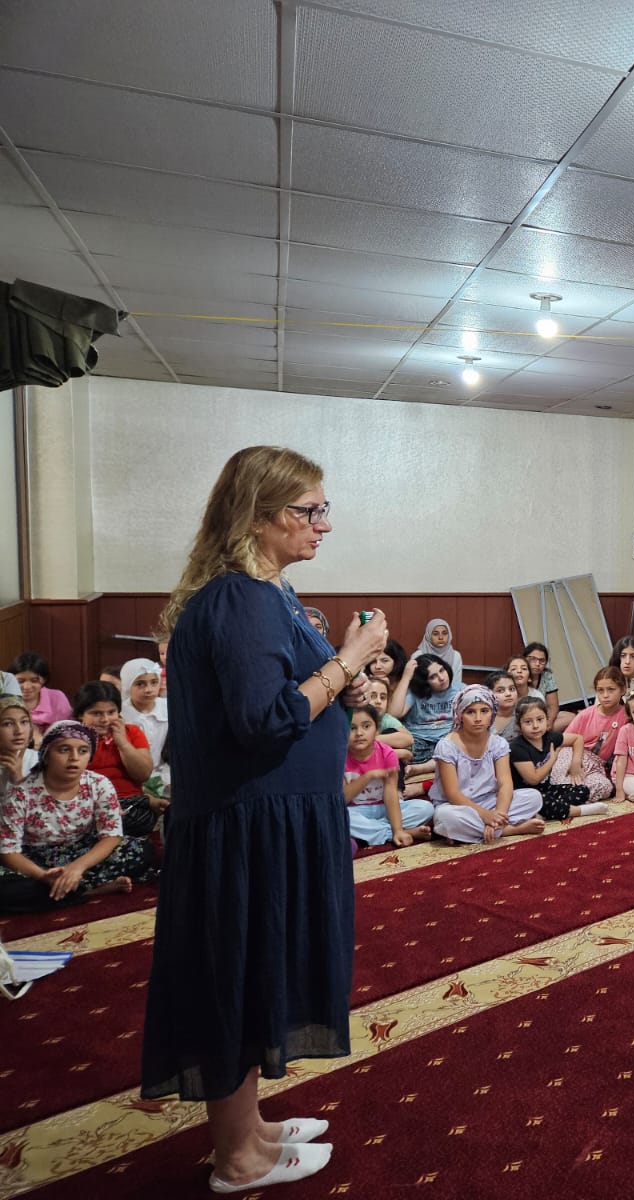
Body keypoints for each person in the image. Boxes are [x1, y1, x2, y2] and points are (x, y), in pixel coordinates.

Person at [140, 445, 391, 1193]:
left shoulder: (263, 592)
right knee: (240, 978)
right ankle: (238, 1158)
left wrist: (342, 674)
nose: (325, 524)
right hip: (252, 827)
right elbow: (266, 718)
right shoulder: (242, 599)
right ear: (259, 517)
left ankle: (249, 1128)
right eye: (310, 510)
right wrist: (350, 658)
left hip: (269, 818)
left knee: (255, 973)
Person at [0, 720, 156, 913]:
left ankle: (65, 890)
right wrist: (42, 876)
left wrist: (76, 868)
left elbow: (112, 835)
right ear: (46, 755)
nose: (74, 758)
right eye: (64, 750)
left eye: (83, 751)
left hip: (82, 852)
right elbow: (8, 851)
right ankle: (87, 891)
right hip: (35, 861)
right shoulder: (20, 792)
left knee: (142, 851)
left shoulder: (99, 784)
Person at [430, 685, 543, 844]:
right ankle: (510, 830)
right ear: (460, 715)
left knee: (534, 797)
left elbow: (505, 784)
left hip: (490, 801)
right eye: (470, 712)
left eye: (484, 711)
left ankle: (475, 832)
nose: (478, 718)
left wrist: (498, 814)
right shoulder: (447, 746)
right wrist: (485, 816)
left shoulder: (498, 743)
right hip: (457, 806)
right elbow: (453, 794)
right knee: (446, 819)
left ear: (492, 713)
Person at [73, 680, 160, 837]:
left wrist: (123, 743)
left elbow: (143, 774)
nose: (105, 719)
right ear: (81, 715)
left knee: (144, 818)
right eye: (96, 713)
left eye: (111, 712)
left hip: (130, 806)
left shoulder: (131, 732)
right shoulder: (71, 737)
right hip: (86, 807)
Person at [343, 704, 431, 850]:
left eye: (366, 726)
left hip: (383, 807)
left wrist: (397, 829)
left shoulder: (387, 753)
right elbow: (342, 798)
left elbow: (391, 794)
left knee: (426, 808)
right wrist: (367, 777)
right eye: (352, 728)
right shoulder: (340, 756)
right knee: (338, 817)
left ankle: (375, 832)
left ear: (376, 729)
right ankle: (397, 833)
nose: (359, 733)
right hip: (355, 811)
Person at [505, 696, 605, 822]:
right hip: (526, 795)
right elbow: (533, 779)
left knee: (581, 790)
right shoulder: (517, 747)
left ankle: (546, 812)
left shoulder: (549, 737)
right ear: (519, 724)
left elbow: (577, 739)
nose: (535, 726)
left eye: (540, 720)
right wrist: (553, 759)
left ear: (547, 720)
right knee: (540, 800)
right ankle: (579, 811)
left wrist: (575, 764)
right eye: (528, 722)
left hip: (546, 789)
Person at [558, 666, 625, 802]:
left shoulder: (626, 716)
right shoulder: (586, 714)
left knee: (605, 787)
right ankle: (562, 796)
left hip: (597, 765)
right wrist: (573, 763)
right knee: (564, 778)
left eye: (611, 689)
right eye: (600, 690)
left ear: (623, 690)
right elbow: (562, 742)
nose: (605, 695)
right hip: (573, 754)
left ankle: (567, 800)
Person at [388, 652, 460, 774]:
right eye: (433, 677)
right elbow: (393, 714)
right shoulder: (416, 693)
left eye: (442, 670)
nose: (442, 678)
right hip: (419, 742)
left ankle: (420, 769)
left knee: (462, 749)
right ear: (424, 682)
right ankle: (431, 765)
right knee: (394, 751)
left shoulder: (460, 689)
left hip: (448, 741)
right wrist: (406, 678)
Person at [121, 657, 169, 781]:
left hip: (166, 774)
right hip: (131, 775)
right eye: (140, 684)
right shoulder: (120, 714)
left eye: (154, 682)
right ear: (127, 685)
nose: (148, 689)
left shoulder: (169, 708)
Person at [11, 652, 72, 743]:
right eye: (20, 681)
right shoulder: (4, 699)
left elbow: (70, 731)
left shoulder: (57, 698)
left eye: (34, 680)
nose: (27, 686)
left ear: (44, 679)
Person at [520, 642, 569, 733]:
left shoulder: (547, 676)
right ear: (524, 659)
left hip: (542, 717)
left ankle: (542, 733)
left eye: (542, 661)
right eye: (532, 659)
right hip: (524, 718)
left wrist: (548, 722)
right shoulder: (519, 675)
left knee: (571, 717)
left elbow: (552, 706)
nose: (537, 664)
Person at [0, 693, 40, 781]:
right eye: (8, 724)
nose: (19, 731)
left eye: (24, 722)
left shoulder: (38, 761)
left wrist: (18, 777)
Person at [484, 670, 520, 739]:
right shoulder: (483, 716)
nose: (508, 694)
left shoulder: (522, 715)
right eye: (500, 690)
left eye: (512, 689)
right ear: (489, 694)